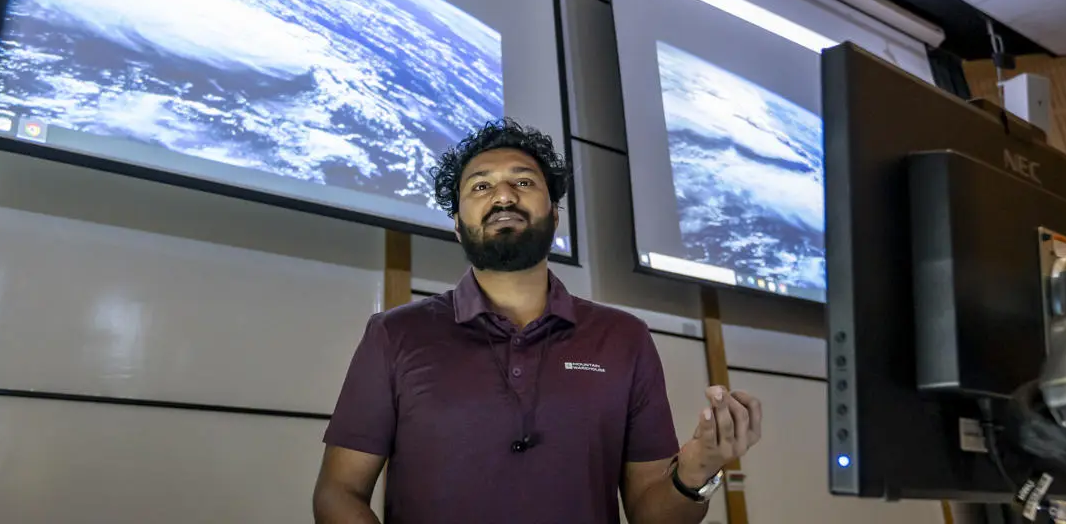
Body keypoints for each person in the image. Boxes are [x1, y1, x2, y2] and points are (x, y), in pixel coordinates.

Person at [313, 119, 765, 523]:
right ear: (456, 225)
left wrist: (697, 471)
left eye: (523, 181)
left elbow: (653, 515)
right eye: (480, 186)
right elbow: (339, 493)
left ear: (554, 213)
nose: (504, 195)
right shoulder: (395, 334)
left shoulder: (624, 338)